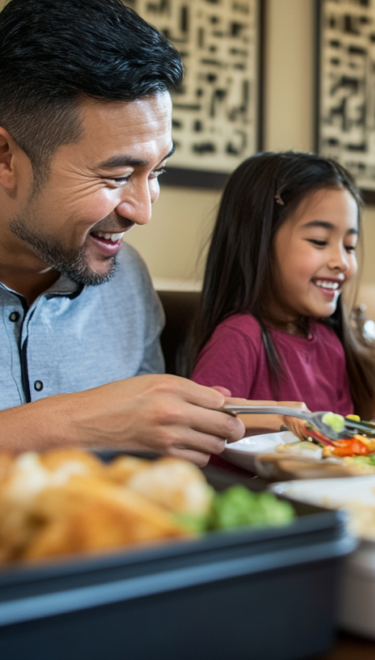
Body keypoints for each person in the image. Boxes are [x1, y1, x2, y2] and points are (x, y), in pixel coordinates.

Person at [0, 0, 244, 462]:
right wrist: (77, 423)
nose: (142, 211)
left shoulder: (124, 276)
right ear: (5, 157)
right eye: (115, 177)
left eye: (156, 172)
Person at [188, 151, 375, 427]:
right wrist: (287, 420)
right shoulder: (239, 338)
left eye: (349, 246)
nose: (342, 262)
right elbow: (201, 425)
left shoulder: (329, 343)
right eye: (319, 241)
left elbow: (350, 433)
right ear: (259, 244)